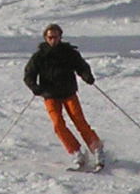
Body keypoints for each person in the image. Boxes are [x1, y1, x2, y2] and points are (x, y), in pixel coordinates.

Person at [23, 24, 104, 170]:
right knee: (58, 125)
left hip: (68, 93)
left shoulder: (69, 53)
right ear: (45, 38)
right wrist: (35, 87)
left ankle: (97, 149)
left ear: (61, 37)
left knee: (79, 121)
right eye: (50, 37)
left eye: (56, 37)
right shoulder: (39, 56)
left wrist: (87, 76)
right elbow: (29, 75)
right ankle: (76, 152)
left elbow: (81, 66)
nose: (53, 40)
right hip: (50, 95)